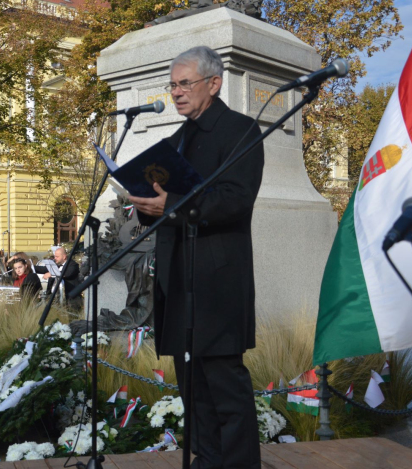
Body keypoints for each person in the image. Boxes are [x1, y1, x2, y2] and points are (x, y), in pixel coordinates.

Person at [129, 46, 264, 469]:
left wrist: (175, 204)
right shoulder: (176, 139)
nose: (177, 92)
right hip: (178, 275)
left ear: (214, 83)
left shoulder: (241, 130)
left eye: (185, 83)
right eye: (172, 85)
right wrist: (142, 201)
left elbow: (235, 200)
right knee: (192, 387)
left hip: (218, 280)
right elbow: (160, 196)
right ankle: (207, 461)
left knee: (225, 385)